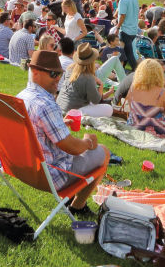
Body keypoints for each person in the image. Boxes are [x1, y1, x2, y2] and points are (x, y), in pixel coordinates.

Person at [18, 49, 109, 217]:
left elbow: (36, 128)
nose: (58, 79)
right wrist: (88, 143)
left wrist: (59, 123)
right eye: (53, 74)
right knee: (103, 151)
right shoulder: (45, 104)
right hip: (49, 175)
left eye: (59, 74)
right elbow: (72, 148)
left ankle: (76, 200)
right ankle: (78, 206)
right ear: (35, 73)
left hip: (21, 167)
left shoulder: (21, 97)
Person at [126, 58, 165, 136]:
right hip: (158, 132)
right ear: (159, 73)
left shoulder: (133, 88)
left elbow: (131, 109)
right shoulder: (163, 93)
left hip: (134, 127)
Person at [56, 43, 113, 117]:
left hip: (60, 105)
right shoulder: (88, 77)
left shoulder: (70, 69)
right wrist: (101, 86)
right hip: (73, 110)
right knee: (109, 109)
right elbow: (96, 101)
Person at [115, 0, 140, 70]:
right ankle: (120, 70)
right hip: (133, 30)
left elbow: (122, 15)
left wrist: (117, 27)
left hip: (126, 30)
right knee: (124, 52)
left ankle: (137, 74)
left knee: (129, 55)